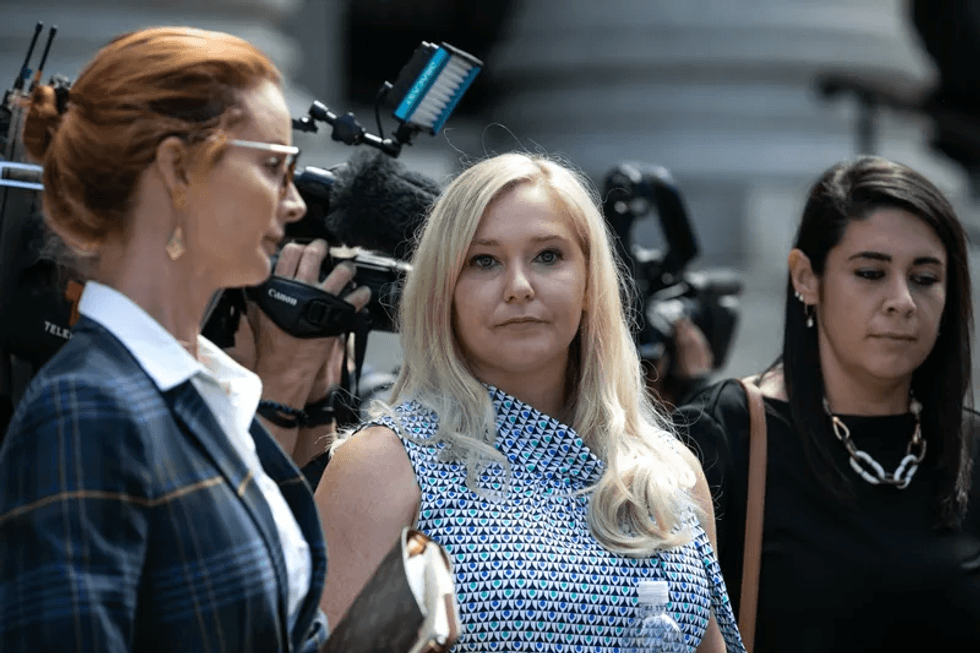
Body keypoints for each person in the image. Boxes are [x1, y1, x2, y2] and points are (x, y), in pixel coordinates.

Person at [0, 26, 362, 652]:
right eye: (274, 166)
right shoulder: (87, 410)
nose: (296, 202)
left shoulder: (210, 389)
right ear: (176, 168)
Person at [314, 152, 746, 652]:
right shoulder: (383, 466)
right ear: (443, 292)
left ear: (589, 282)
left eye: (548, 256)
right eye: (484, 261)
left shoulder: (669, 472)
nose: (518, 287)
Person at [674, 156, 980, 651]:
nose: (901, 299)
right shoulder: (726, 435)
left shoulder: (970, 448)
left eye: (925, 278)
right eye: (870, 272)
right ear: (805, 278)